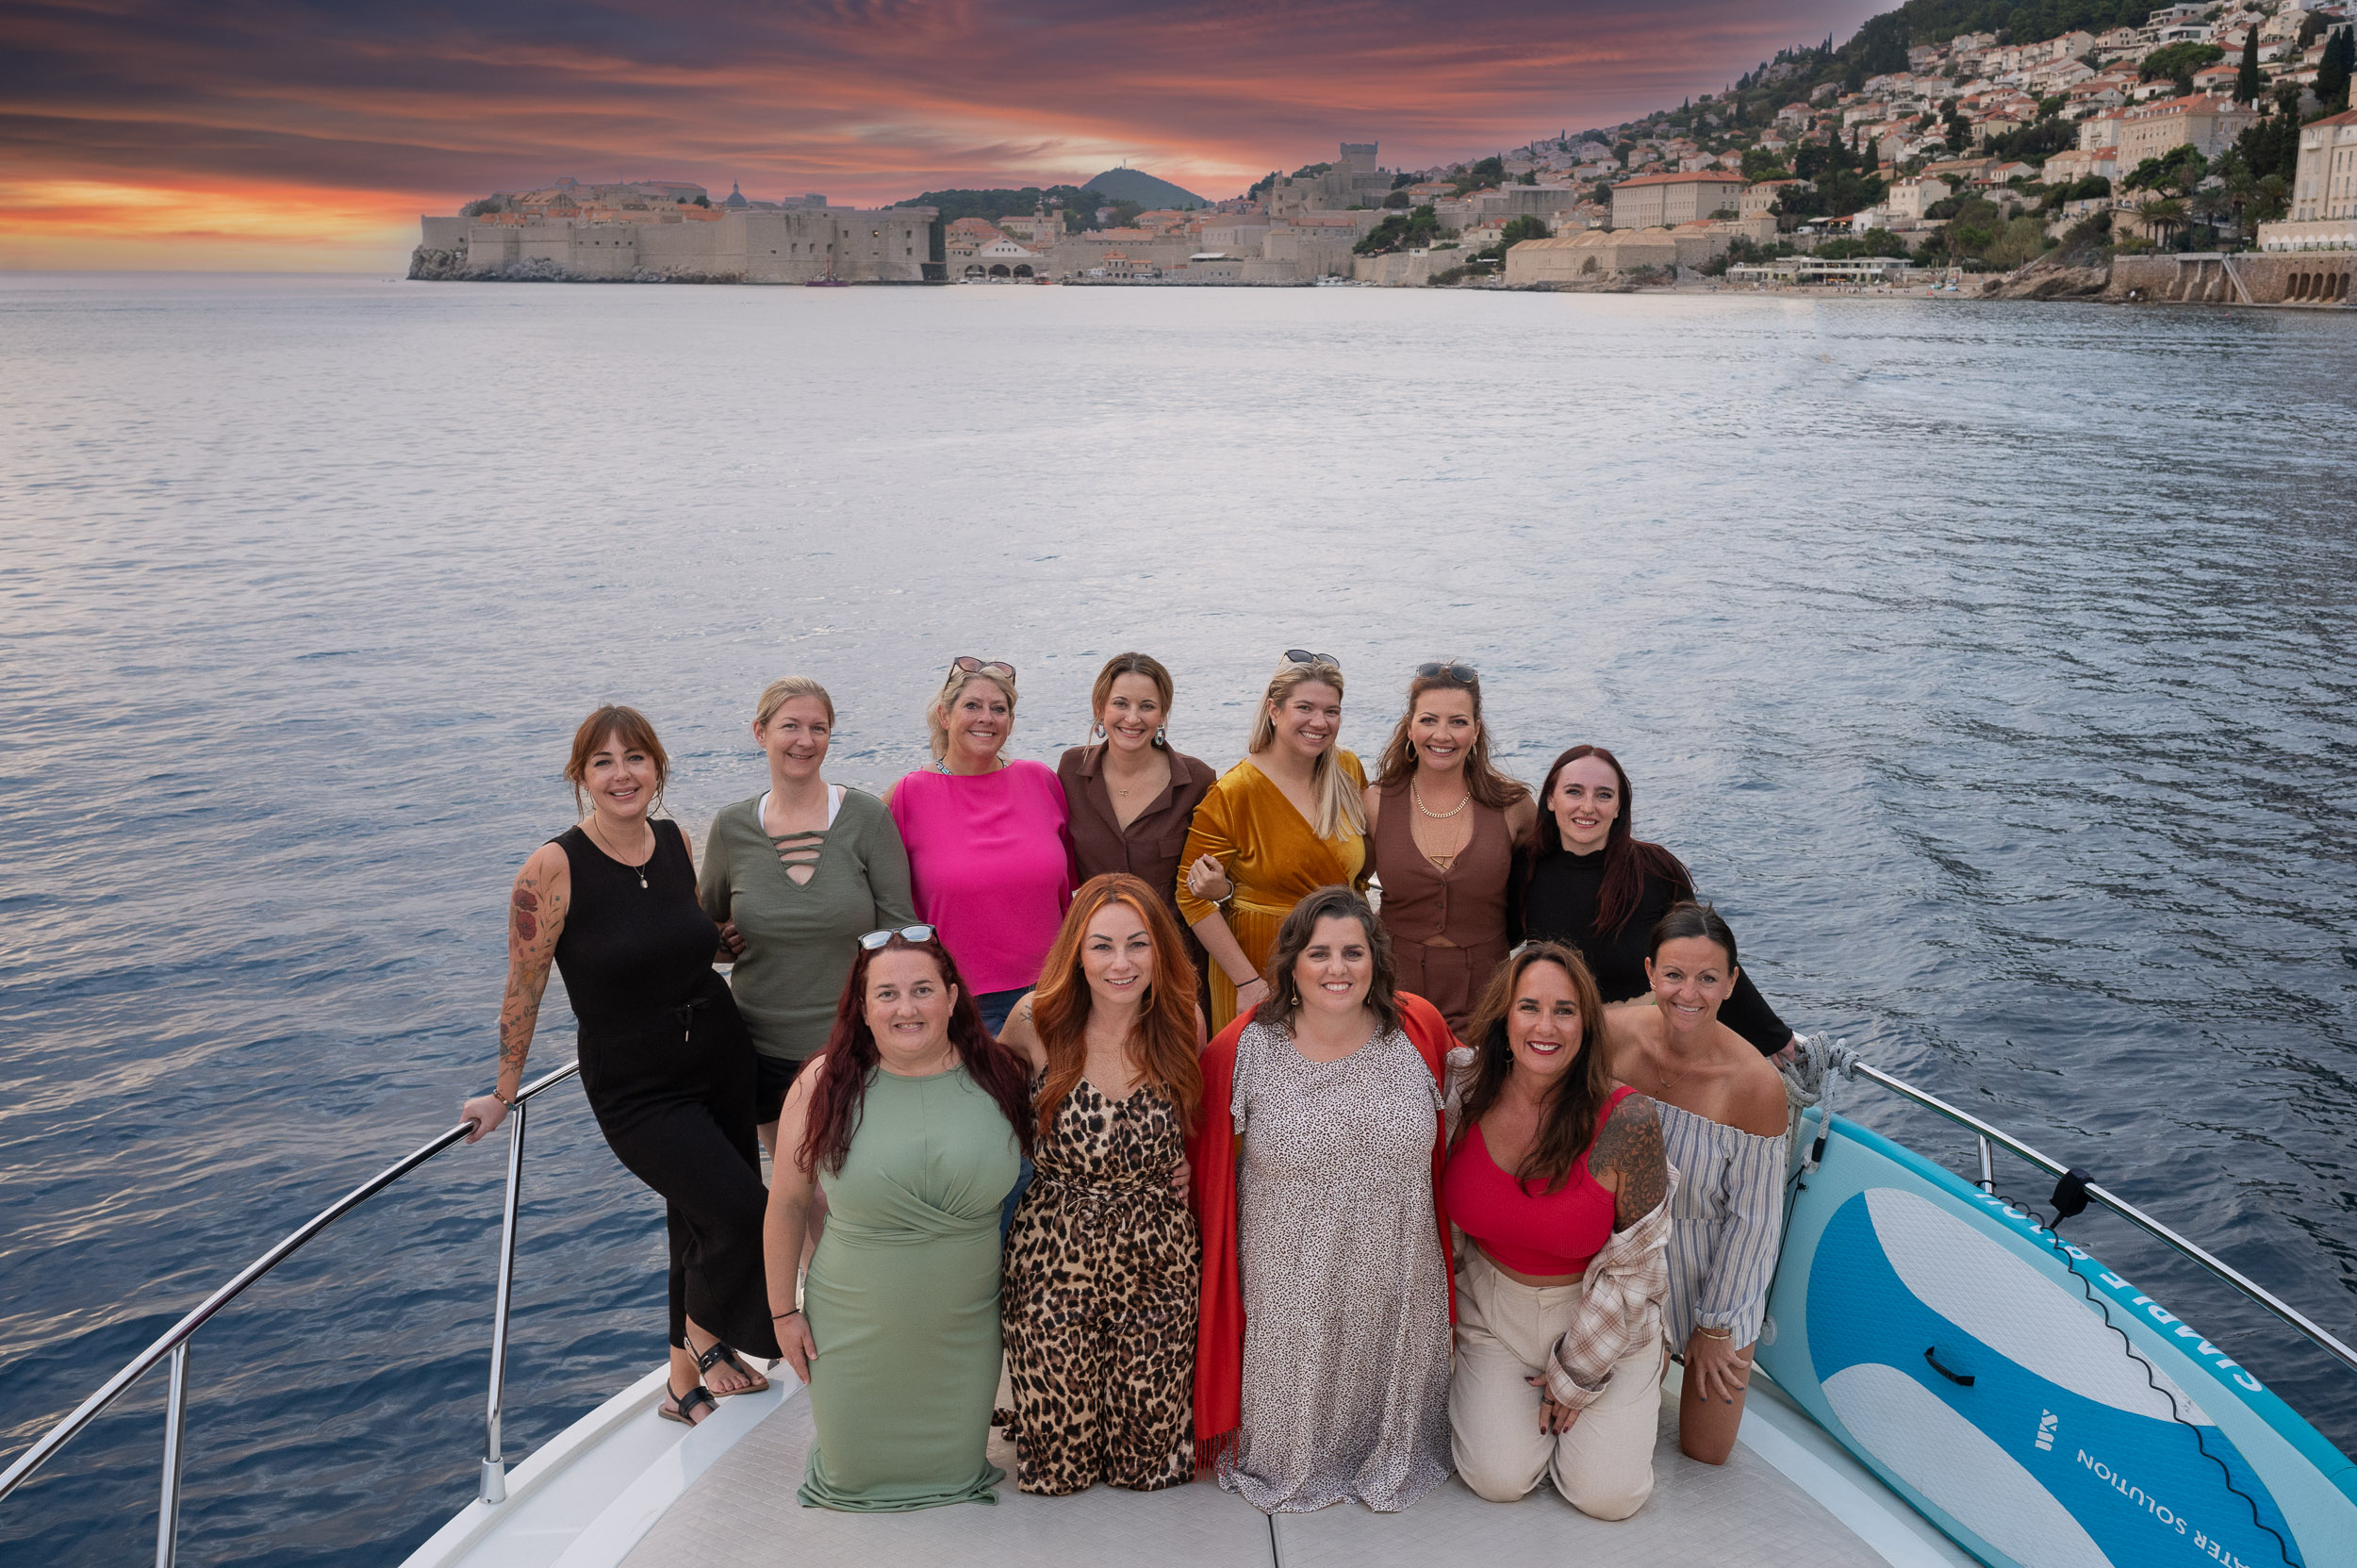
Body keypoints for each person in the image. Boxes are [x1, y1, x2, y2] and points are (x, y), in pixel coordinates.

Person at [460, 705, 776, 1430]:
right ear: (581, 777)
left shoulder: (672, 840)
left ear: (657, 767)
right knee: (740, 1211)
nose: (622, 773)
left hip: (718, 1053)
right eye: (603, 761)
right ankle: (704, 1335)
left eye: (635, 757)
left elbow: (674, 933)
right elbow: (524, 985)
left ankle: (680, 1380)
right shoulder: (553, 866)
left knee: (694, 1220)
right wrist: (504, 1090)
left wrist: (715, 944)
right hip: (637, 1083)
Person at [1189, 885, 1459, 1513]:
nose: (1337, 968)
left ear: (1375, 960)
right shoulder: (1245, 1047)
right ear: (1292, 963)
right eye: (1319, 953)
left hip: (1397, 1285)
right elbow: (1196, 1147)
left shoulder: (1419, 1031)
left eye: (1352, 952)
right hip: (1290, 1295)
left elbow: (1465, 1130)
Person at [764, 928, 1033, 1510]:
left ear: (953, 997)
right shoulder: (823, 1084)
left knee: (958, 1470)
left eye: (922, 989)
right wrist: (783, 1312)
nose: (906, 1008)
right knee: (850, 1476)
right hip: (853, 1323)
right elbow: (786, 1202)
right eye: (886, 994)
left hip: (964, 1326)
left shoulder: (1002, 1075)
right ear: (862, 1008)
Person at [1443, 942, 1673, 1518]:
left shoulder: (1629, 1120)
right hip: (1493, 1313)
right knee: (1496, 1478)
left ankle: (1621, 1393)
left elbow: (1637, 1269)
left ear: (1587, 1024)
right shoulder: (1462, 1091)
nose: (1546, 1026)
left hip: (1599, 1314)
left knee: (1609, 1498)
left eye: (1565, 1010)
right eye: (1529, 1007)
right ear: (1503, 1017)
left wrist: (1578, 1374)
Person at [995, 873, 1203, 1494]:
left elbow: (1200, 1121)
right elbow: (987, 1113)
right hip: (1055, 1243)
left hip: (1157, 1249)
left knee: (1150, 1466)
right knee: (1059, 1469)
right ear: (1076, 952)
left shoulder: (1181, 1017)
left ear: (1160, 949)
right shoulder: (1036, 1019)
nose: (1121, 963)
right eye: (1102, 945)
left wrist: (1186, 1162)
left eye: (1138, 944)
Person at [1604, 902, 1788, 1466]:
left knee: (1706, 1451)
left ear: (1732, 983)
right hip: (1624, 1256)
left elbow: (1754, 1223)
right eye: (1675, 975)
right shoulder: (1613, 1037)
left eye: (1709, 978)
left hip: (1711, 1262)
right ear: (1649, 973)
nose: (1690, 993)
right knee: (1620, 1436)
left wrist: (1713, 1327)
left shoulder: (1755, 1085)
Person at [699, 676, 915, 1154]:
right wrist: (718, 942)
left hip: (857, 1046)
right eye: (790, 726)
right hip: (760, 1051)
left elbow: (903, 937)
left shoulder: (867, 819)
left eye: (818, 728)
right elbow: (704, 931)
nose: (805, 740)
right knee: (801, 1195)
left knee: (856, 1186)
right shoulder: (731, 828)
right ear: (760, 732)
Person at [1521, 744, 1801, 1058]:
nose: (1588, 807)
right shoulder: (1525, 870)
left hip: (1644, 1048)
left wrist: (1772, 1035)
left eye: (1603, 795)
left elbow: (1706, 955)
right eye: (1574, 792)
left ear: (1619, 807)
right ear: (1549, 799)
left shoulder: (1653, 870)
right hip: (1555, 1044)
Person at [1178, 652, 1371, 1032]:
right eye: (1305, 708)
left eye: (1331, 711)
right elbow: (1190, 896)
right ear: (1274, 710)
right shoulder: (1234, 793)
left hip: (1339, 966)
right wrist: (1247, 983)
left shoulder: (1347, 771)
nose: (1319, 722)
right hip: (1261, 963)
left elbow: (1361, 868)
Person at [888, 658, 1075, 1034]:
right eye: (972, 705)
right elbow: (886, 898)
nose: (986, 718)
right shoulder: (909, 795)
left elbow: (1071, 888)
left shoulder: (1040, 781)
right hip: (963, 1003)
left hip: (1058, 991)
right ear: (944, 715)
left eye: (999, 709)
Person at [1363, 661, 1536, 1036]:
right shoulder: (1375, 802)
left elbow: (1551, 877)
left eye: (1457, 722)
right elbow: (1344, 882)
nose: (1442, 735)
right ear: (1409, 727)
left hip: (1488, 993)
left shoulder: (1513, 804)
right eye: (1428, 720)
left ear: (1476, 731)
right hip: (1391, 989)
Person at [1056, 653, 1217, 961]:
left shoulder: (1197, 779)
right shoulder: (1070, 770)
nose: (1132, 718)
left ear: (1162, 714)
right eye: (1120, 703)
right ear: (1100, 707)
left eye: (1147, 706)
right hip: (1096, 958)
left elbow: (1214, 875)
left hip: (1175, 958)